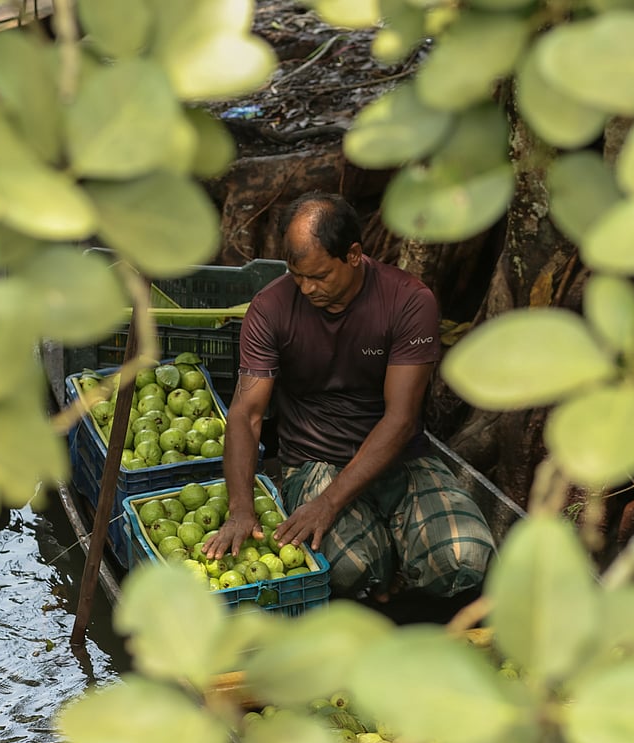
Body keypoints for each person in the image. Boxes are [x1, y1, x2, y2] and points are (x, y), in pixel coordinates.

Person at [202, 191, 495, 605]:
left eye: (319, 276)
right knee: (351, 569)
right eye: (297, 275)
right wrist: (241, 509)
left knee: (465, 559)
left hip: (400, 459)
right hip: (316, 461)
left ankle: (407, 569)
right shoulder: (270, 309)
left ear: (354, 255)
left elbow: (401, 420)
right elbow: (246, 414)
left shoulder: (408, 301)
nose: (307, 288)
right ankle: (387, 573)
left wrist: (329, 503)